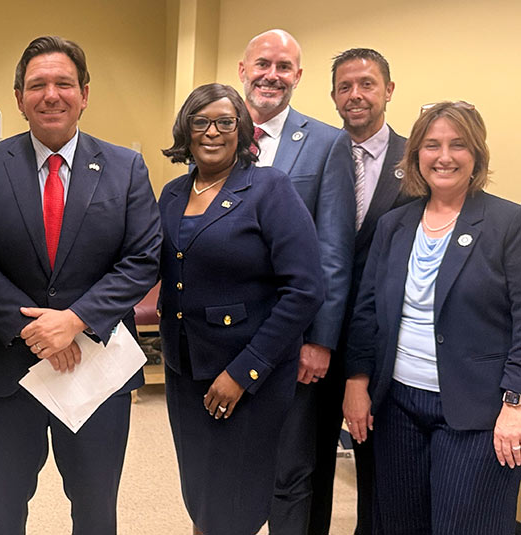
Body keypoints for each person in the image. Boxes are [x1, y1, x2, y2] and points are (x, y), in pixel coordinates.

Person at [0, 35, 162, 534]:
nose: (51, 95)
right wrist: (35, 331)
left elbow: (142, 257)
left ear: (85, 93)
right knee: (3, 507)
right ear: (19, 97)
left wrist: (74, 321)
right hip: (9, 370)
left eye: (64, 83)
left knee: (94, 507)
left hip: (96, 365)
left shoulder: (125, 168)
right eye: (37, 84)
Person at [343, 101, 521, 534]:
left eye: (458, 145)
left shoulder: (507, 222)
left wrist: (515, 404)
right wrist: (357, 382)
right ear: (416, 155)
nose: (444, 156)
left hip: (477, 414)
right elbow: (367, 311)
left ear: (476, 153)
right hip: (397, 406)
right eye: (432, 145)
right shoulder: (394, 225)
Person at [159, 83, 324, 535]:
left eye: (225, 122)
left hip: (246, 376)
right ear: (186, 129)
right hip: (184, 370)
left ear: (242, 130)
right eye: (201, 121)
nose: (212, 131)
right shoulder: (173, 193)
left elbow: (305, 289)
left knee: (235, 503)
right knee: (201, 495)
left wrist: (244, 372)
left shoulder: (269, 188)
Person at [235, 29, 355, 533]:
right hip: (224, 335)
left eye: (284, 67)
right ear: (243, 70)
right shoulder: (216, 131)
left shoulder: (327, 143)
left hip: (294, 340)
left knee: (291, 471)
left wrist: (321, 341)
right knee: (228, 468)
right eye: (263, 64)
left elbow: (333, 252)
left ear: (298, 77)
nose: (272, 75)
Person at [313, 48, 414, 535]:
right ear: (333, 96)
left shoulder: (418, 162)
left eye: (367, 84)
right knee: (309, 463)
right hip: (314, 335)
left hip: (381, 340)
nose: (355, 95)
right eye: (345, 87)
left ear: (388, 90)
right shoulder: (313, 152)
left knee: (376, 465)